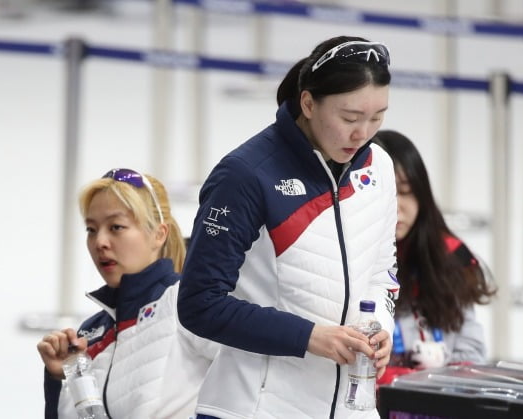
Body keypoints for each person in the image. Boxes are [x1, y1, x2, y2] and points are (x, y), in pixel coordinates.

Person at [177, 36, 400, 419]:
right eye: (349, 118)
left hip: (350, 409)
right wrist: (310, 337)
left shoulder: (377, 166)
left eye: (377, 117)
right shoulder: (246, 175)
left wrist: (378, 326)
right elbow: (200, 303)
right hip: (252, 407)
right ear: (308, 103)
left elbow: (382, 271)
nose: (362, 133)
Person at [36, 168, 218, 419]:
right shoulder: (90, 333)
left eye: (116, 227)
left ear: (158, 234)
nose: (100, 242)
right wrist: (62, 378)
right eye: (91, 229)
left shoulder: (187, 302)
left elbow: (254, 383)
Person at [372, 130, 496, 385]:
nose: (396, 206)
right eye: (386, 193)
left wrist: (435, 385)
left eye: (406, 192)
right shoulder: (346, 262)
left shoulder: (448, 257)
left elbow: (471, 352)